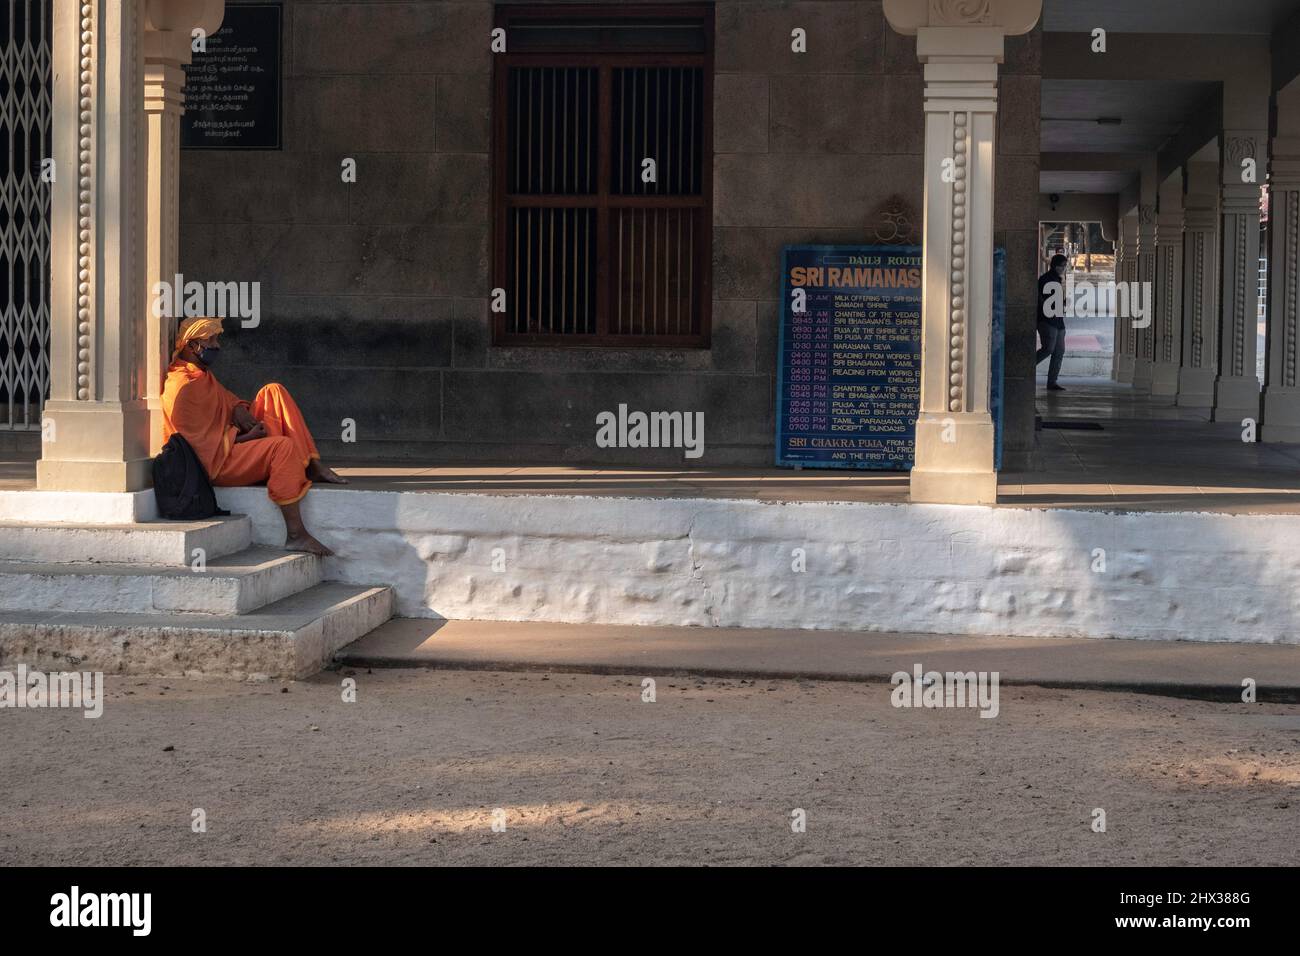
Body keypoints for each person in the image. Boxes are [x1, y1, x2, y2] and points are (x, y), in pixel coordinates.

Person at [161, 317, 347, 556]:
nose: (217, 346)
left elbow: (227, 399)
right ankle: (296, 534)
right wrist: (247, 438)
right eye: (211, 340)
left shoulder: (201, 374)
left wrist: (238, 408)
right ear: (191, 346)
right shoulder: (182, 386)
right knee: (282, 447)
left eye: (217, 339)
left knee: (273, 391)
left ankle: (312, 465)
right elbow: (200, 451)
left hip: (230, 443)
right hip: (217, 465)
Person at [1035, 253, 1069, 392]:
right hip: (1047, 320)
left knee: (1059, 351)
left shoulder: (1059, 280)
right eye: (1061, 265)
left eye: (1064, 266)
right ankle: (1025, 368)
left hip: (1058, 320)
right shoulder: (1045, 279)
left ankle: (1052, 381)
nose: (1063, 268)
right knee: (1048, 348)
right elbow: (1042, 299)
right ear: (1054, 266)